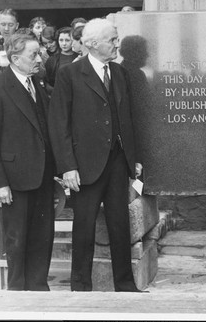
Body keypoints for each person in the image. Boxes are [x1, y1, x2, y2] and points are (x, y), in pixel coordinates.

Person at [48, 18, 145, 292]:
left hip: (117, 162)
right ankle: (80, 287)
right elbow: (59, 123)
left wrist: (133, 157)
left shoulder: (120, 73)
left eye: (116, 38)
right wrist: (67, 166)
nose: (117, 43)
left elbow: (128, 119)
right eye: (113, 39)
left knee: (120, 225)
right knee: (84, 228)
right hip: (84, 166)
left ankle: (125, 285)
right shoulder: (69, 73)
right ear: (92, 44)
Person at [0, 33, 55, 290]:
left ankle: (38, 287)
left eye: (39, 53)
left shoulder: (37, 82)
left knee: (42, 236)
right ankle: (18, 292)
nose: (39, 59)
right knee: (17, 239)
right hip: (14, 179)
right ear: (15, 58)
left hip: (42, 175)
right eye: (34, 55)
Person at [0, 9, 19, 78]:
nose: (6, 28)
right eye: (3, 24)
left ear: (17, 25)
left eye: (11, 25)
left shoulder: (23, 45)